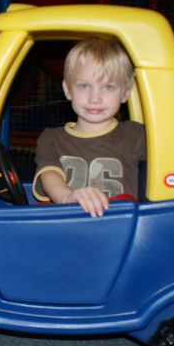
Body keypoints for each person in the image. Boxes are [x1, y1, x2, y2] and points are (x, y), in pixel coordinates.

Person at [32, 35, 145, 217]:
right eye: (84, 86)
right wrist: (67, 197)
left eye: (108, 87)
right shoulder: (52, 138)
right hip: (68, 225)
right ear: (68, 90)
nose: (95, 98)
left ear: (125, 93)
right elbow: (50, 175)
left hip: (119, 226)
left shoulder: (135, 134)